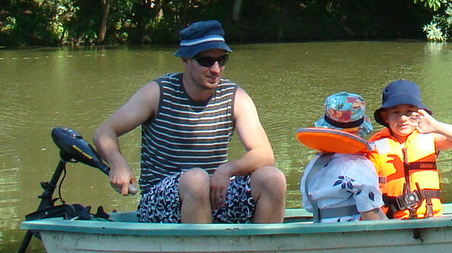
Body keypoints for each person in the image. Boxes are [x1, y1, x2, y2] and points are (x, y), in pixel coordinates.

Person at [92, 19, 287, 223]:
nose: (216, 69)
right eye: (206, 60)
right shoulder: (158, 93)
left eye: (222, 61)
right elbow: (105, 132)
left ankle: (260, 252)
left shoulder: (236, 98)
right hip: (160, 205)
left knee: (272, 179)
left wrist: (226, 169)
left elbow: (264, 155)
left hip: (211, 194)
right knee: (196, 179)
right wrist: (118, 163)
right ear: (185, 60)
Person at [367, 80, 452, 219]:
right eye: (396, 112)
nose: (403, 118)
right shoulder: (375, 145)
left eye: (409, 112)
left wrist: (436, 126)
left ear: (420, 114)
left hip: (429, 216)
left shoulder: (428, 138)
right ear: (386, 117)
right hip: (391, 219)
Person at [297, 92, 386, 223]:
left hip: (320, 229)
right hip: (351, 234)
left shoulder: (314, 165)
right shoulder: (360, 165)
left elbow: (308, 205)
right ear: (359, 131)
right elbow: (368, 211)